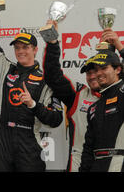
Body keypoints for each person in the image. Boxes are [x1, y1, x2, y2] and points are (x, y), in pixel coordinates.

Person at [0, 0, 63, 172]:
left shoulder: (47, 79)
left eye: (25, 47)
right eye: (17, 47)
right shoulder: (6, 68)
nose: (21, 51)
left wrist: (33, 104)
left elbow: (56, 119)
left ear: (35, 50)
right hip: (3, 139)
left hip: (29, 140)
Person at [42, 21, 124, 171]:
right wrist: (52, 41)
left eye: (99, 70)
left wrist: (119, 46)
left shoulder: (120, 92)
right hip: (80, 161)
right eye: (89, 72)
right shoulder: (78, 95)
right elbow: (53, 75)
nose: (94, 75)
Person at [79, 50, 124, 172]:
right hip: (97, 165)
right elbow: (88, 148)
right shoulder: (94, 107)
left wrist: (120, 48)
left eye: (103, 68)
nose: (98, 73)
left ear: (118, 70)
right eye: (96, 70)